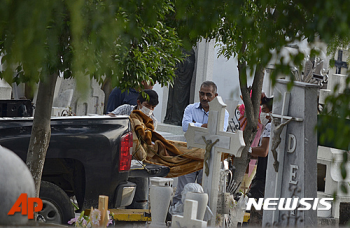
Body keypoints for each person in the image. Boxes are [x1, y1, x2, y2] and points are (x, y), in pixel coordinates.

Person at [172, 81, 229, 205]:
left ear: (215, 95)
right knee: (183, 191)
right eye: (202, 94)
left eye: (208, 94)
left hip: (209, 158)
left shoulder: (222, 113)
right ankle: (177, 218)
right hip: (190, 154)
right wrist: (205, 126)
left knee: (206, 193)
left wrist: (196, 126)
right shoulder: (190, 108)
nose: (204, 98)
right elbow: (186, 127)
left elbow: (220, 133)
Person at [108, 89, 158, 209]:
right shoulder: (125, 109)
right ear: (139, 103)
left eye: (152, 107)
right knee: (114, 195)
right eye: (147, 106)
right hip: (119, 158)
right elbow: (110, 119)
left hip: (138, 161)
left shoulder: (152, 121)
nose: (149, 109)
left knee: (140, 199)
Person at [247, 96, 273, 199]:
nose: (262, 114)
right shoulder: (273, 126)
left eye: (264, 110)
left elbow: (263, 151)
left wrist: (245, 150)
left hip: (263, 177)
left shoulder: (270, 126)